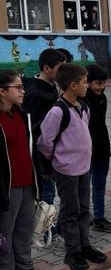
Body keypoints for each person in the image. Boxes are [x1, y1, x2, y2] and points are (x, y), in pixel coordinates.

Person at [37, 63, 107, 270]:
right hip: (66, 170)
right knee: (70, 211)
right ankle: (72, 252)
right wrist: (58, 159)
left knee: (84, 210)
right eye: (84, 82)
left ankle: (85, 245)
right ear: (72, 85)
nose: (87, 86)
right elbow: (44, 142)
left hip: (84, 168)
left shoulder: (83, 107)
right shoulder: (58, 111)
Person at [0, 70, 48, 270]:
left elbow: (30, 150)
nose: (23, 91)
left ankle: (24, 267)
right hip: (6, 187)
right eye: (17, 88)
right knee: (5, 232)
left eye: (22, 86)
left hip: (27, 182)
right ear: (2, 91)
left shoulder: (22, 115)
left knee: (24, 228)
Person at [22, 48, 66, 205]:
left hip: (56, 155)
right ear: (46, 68)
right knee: (47, 198)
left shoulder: (53, 88)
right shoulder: (35, 94)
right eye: (60, 68)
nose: (63, 73)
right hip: (42, 160)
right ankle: (48, 230)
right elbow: (33, 132)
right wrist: (44, 166)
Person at [84, 64, 111, 233]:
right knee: (83, 187)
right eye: (98, 83)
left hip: (102, 147)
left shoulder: (102, 98)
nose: (101, 87)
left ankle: (99, 217)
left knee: (100, 185)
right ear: (87, 83)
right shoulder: (82, 100)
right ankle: (83, 217)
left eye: (103, 83)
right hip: (85, 151)